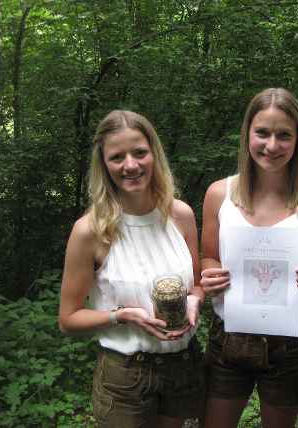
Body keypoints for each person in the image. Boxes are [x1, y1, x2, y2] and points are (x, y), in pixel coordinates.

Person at [200, 87, 298, 428]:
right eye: (262, 133)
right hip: (228, 335)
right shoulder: (219, 194)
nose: (272, 145)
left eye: (284, 135)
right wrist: (210, 276)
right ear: (247, 134)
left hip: (288, 341)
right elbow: (207, 256)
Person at [58, 110, 205, 428]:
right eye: (117, 157)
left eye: (140, 153)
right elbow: (68, 319)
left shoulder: (180, 215)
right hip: (126, 375)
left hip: (182, 364)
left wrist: (196, 299)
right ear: (104, 165)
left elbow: (196, 283)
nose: (131, 165)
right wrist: (119, 316)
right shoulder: (90, 231)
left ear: (154, 153)